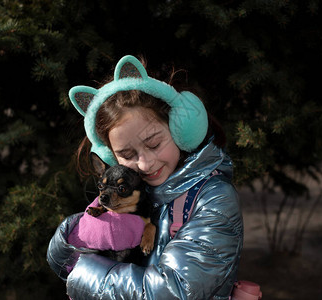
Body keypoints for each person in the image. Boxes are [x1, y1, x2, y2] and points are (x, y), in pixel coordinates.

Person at [47, 55, 243, 299]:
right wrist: (74, 235)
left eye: (154, 143)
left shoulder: (213, 199)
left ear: (179, 128)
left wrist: (82, 271)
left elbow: (173, 291)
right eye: (127, 154)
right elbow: (62, 259)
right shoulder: (134, 191)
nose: (145, 163)